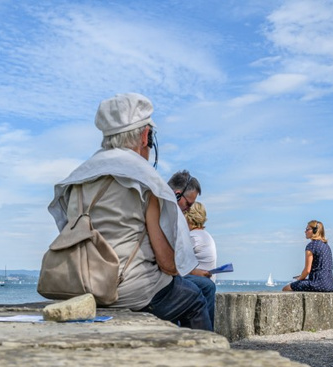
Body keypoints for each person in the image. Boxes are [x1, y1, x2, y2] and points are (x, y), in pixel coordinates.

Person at [47, 93, 211, 330]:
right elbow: (167, 264)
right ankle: (205, 362)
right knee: (194, 299)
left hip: (80, 287)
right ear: (145, 136)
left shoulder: (77, 180)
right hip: (127, 292)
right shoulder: (144, 180)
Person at [169, 170, 216, 329]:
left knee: (206, 286)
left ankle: (205, 339)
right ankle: (206, 340)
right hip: (160, 277)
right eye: (188, 204)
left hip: (166, 273)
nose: (188, 209)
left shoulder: (170, 212)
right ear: (177, 195)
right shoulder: (168, 212)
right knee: (205, 288)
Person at [282, 220, 333, 292]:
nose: (305, 231)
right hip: (329, 285)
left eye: (307, 229)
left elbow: (307, 270)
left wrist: (300, 278)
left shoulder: (311, 246)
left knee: (285, 289)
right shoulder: (326, 246)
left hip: (317, 284)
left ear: (315, 231)